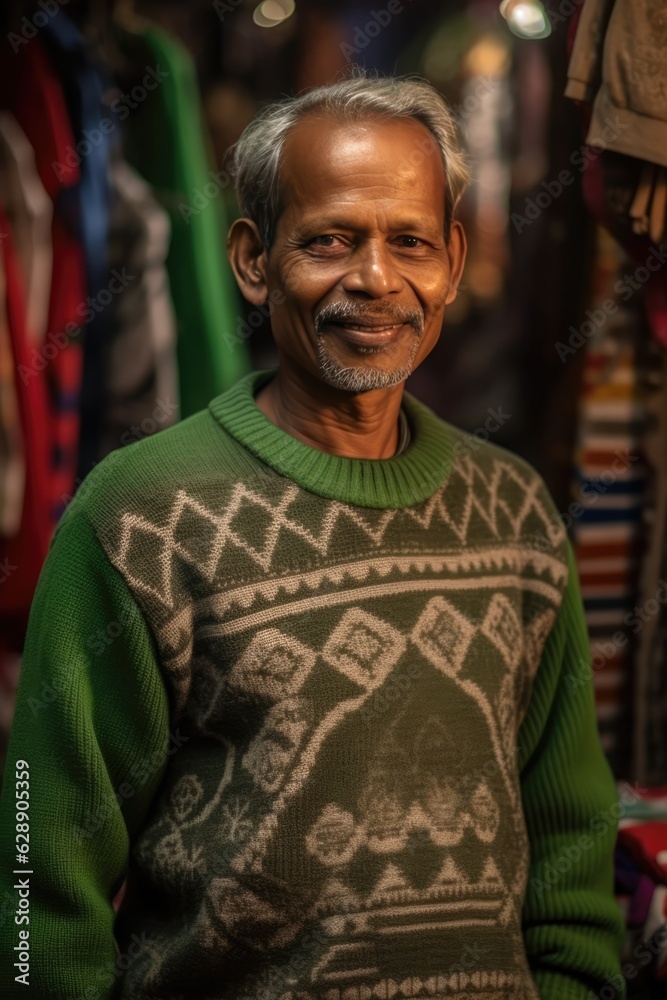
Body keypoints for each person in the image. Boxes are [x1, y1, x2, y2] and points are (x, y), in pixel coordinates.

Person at [0, 70, 625, 999]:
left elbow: (570, 844)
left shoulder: (516, 513)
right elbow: (34, 870)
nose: (375, 279)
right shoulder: (137, 514)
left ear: (451, 262)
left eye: (408, 242)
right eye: (330, 240)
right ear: (253, 261)